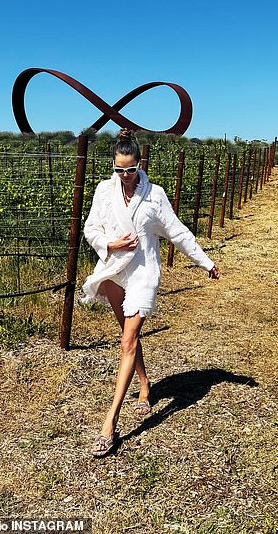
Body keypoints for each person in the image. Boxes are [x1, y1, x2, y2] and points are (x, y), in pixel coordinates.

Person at [82, 128, 220, 457]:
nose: (126, 176)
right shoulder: (104, 191)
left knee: (127, 341)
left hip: (143, 273)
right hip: (115, 271)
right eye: (120, 170)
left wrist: (205, 262)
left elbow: (178, 232)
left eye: (131, 170)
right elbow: (90, 228)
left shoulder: (154, 195)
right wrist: (109, 244)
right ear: (113, 166)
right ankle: (144, 384)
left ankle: (109, 424)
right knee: (128, 336)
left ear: (139, 164)